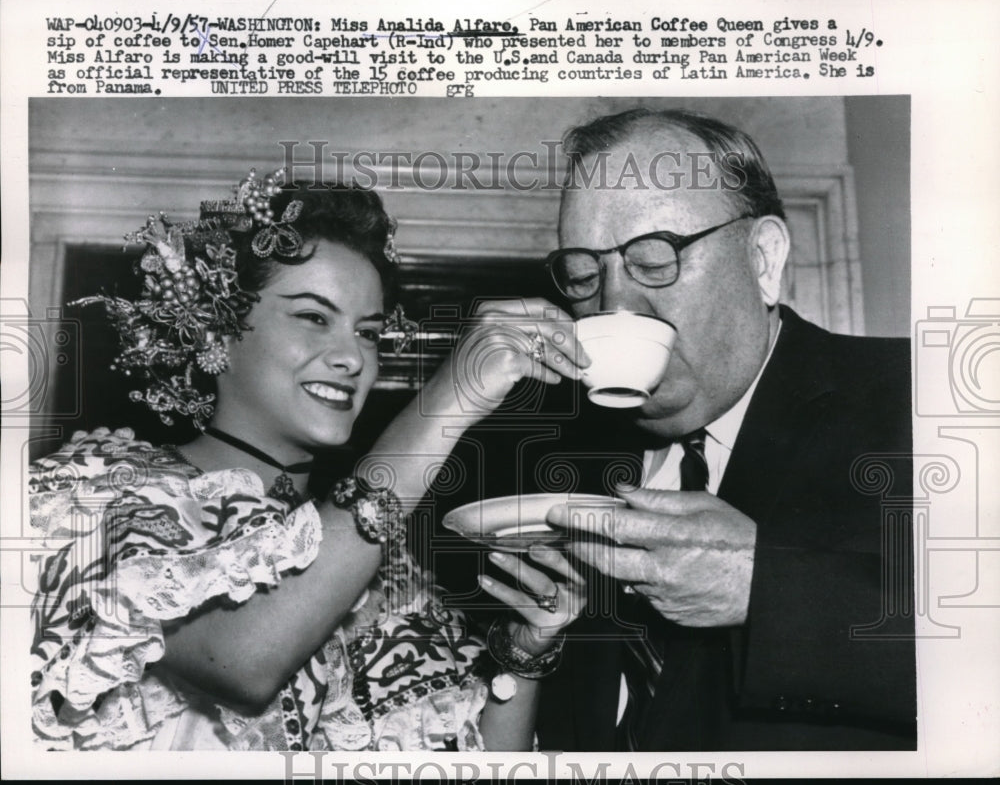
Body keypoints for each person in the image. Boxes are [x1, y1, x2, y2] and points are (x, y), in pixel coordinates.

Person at [28, 171, 589, 751]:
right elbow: (243, 665)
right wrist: (451, 398)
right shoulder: (97, 490)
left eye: (368, 332)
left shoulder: (378, 566)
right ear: (214, 331)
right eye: (314, 317)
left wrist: (523, 652)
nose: (352, 357)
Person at [469, 108, 916, 750]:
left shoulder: (918, 398)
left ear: (763, 258)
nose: (615, 306)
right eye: (585, 274)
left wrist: (763, 590)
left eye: (655, 259)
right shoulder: (557, 467)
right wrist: (525, 653)